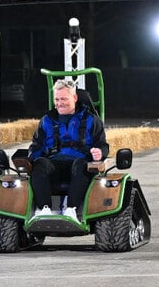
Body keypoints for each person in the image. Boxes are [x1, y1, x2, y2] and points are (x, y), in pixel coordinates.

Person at [28, 79, 109, 220]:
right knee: (40, 164)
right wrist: (31, 158)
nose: (60, 103)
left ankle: (71, 210)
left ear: (75, 98)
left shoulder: (91, 120)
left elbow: (102, 145)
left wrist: (99, 152)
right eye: (57, 99)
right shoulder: (47, 120)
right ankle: (45, 210)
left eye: (64, 99)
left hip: (80, 165)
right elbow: (36, 145)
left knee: (80, 165)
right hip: (53, 164)